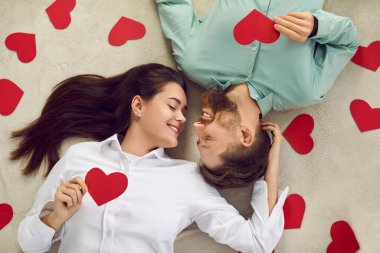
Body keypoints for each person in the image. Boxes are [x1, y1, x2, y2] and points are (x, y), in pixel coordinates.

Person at [13, 63, 288, 253]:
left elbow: (258, 241)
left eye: (184, 110)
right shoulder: (81, 156)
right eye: (173, 106)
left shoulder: (187, 179)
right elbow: (29, 244)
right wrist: (54, 219)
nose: (183, 118)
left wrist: (271, 162)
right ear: (138, 105)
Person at [155, 0, 359, 186]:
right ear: (245, 135)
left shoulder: (195, 64)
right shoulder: (305, 91)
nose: (196, 126)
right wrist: (317, 26)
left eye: (198, 140)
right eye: (207, 139)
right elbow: (348, 42)